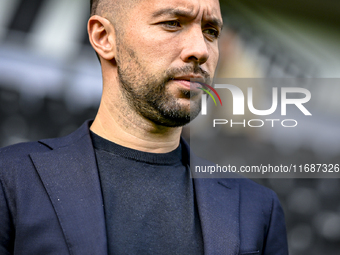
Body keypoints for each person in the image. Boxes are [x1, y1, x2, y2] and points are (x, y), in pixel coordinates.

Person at [0, 0, 288, 254]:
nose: (201, 50)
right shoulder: (11, 179)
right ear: (104, 37)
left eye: (211, 31)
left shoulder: (258, 209)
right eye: (173, 23)